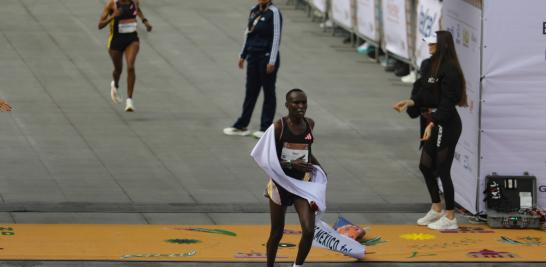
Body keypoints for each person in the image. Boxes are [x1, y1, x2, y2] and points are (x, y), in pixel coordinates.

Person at [393, 31, 468, 230]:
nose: (429, 47)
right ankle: (436, 208)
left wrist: (432, 123)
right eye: (429, 44)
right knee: (425, 166)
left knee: (443, 170)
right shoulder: (431, 65)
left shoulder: (451, 70)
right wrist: (411, 102)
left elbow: (447, 104)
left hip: (447, 124)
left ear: (442, 46)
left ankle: (450, 217)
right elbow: (428, 95)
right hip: (434, 122)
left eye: (433, 44)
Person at [266, 89, 321, 267]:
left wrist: (320, 169)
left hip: (301, 185)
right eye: (296, 103)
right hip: (280, 184)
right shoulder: (279, 127)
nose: (301, 106)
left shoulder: (310, 124)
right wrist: (291, 164)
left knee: (308, 230)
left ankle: (297, 266)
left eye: (304, 102)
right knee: (276, 233)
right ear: (287, 105)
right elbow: (269, 160)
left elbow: (307, 152)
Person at [223, 0, 283, 139]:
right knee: (251, 91)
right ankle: (242, 124)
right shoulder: (254, 10)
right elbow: (248, 33)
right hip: (253, 56)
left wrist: (272, 60)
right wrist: (243, 54)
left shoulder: (274, 13)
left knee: (268, 92)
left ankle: (265, 127)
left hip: (266, 58)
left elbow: (276, 37)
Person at [98, 0, 152, 112]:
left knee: (130, 66)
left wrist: (145, 21)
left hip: (132, 39)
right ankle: (115, 84)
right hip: (115, 42)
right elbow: (100, 25)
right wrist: (113, 16)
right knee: (118, 69)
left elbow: (137, 10)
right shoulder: (111, 4)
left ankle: (129, 101)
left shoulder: (134, 1)